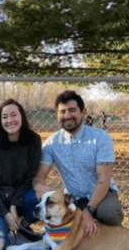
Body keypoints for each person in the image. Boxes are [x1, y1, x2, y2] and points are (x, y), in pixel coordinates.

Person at [33, 90, 123, 235]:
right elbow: (39, 177)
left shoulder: (100, 138)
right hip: (72, 197)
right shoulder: (51, 143)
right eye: (62, 112)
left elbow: (103, 180)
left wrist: (87, 210)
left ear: (83, 112)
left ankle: (116, 237)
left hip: (102, 193)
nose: (67, 115)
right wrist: (39, 186)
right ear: (57, 115)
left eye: (72, 110)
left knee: (110, 213)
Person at [0, 99, 42, 250]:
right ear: (0, 121)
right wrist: (5, 213)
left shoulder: (34, 141)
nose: (10, 120)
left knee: (43, 195)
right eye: (5, 117)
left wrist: (14, 205)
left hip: (20, 198)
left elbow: (30, 178)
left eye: (14, 115)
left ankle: (21, 226)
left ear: (22, 117)